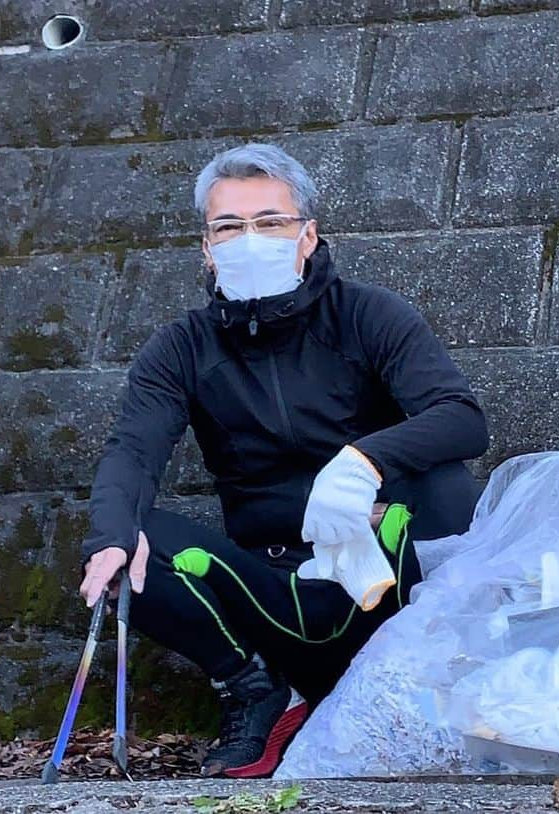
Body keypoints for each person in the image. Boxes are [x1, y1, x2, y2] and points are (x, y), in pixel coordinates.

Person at [76, 143, 490, 778]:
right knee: (125, 536)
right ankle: (257, 689)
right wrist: (108, 536)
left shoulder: (368, 315)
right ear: (207, 249)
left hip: (378, 573)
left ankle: (441, 683)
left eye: (270, 222)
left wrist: (362, 462)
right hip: (267, 585)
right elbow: (133, 450)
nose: (251, 239)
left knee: (444, 484)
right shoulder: (181, 347)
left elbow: (461, 416)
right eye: (229, 227)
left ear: (307, 235)